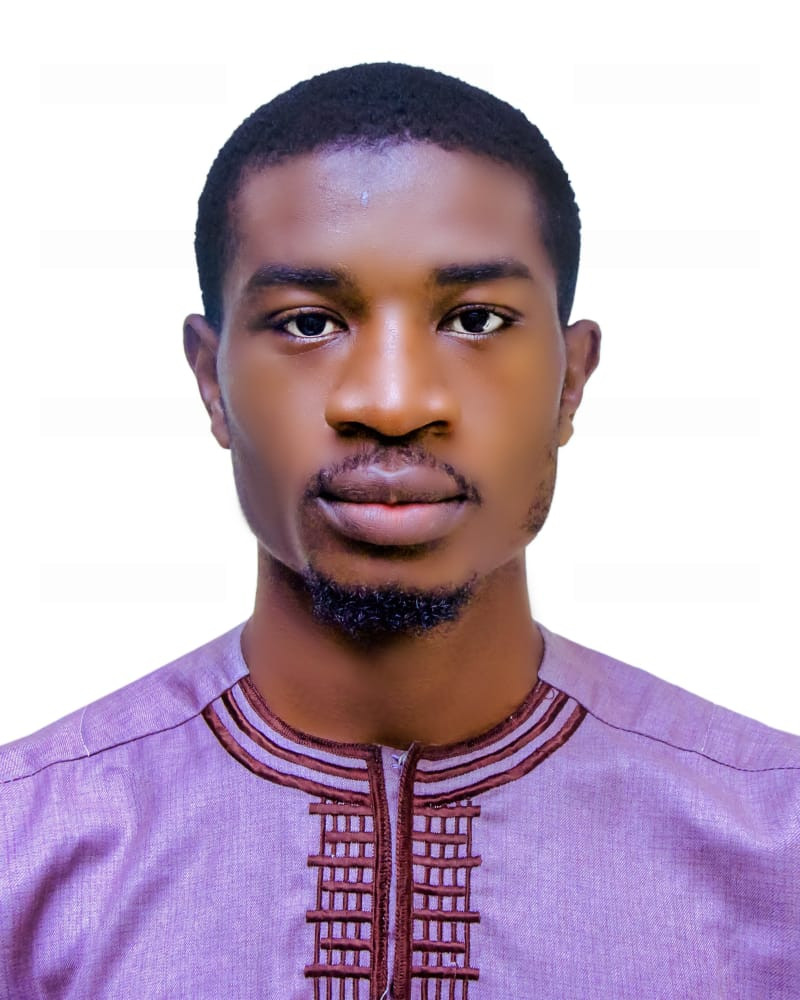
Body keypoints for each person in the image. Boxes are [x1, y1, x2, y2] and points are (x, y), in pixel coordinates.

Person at [1, 62, 797, 1000]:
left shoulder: (775, 845)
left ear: (571, 380)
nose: (391, 401)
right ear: (212, 382)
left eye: (476, 319)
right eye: (308, 323)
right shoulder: (26, 849)